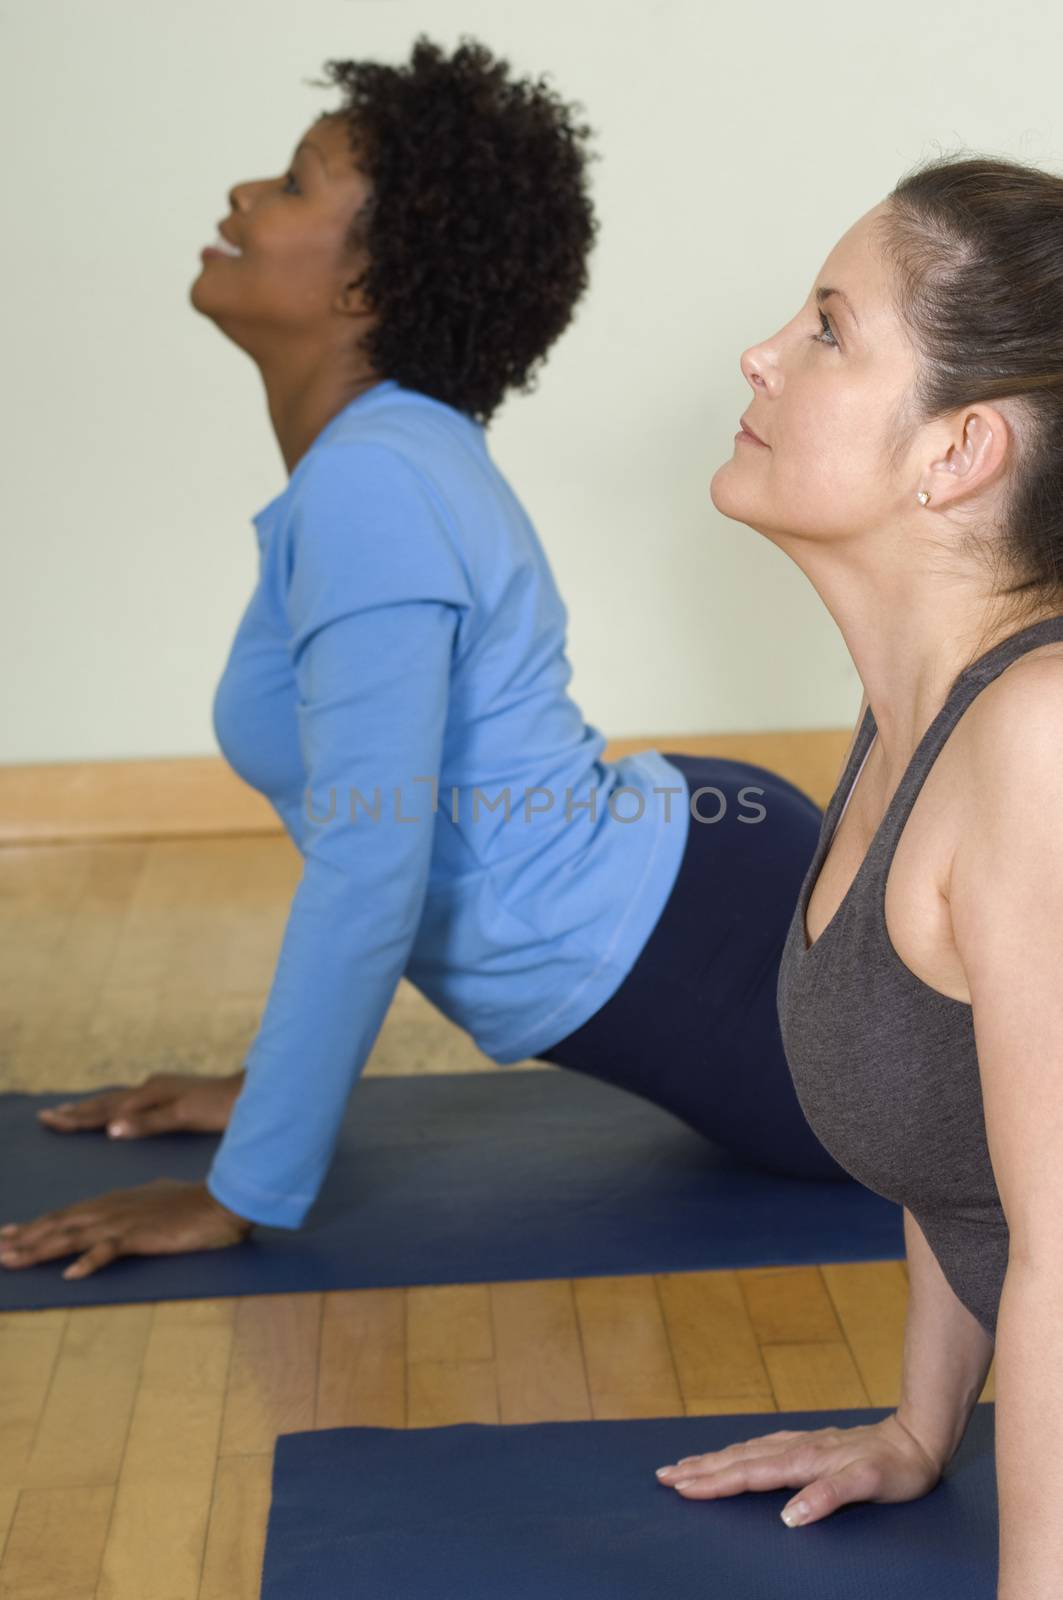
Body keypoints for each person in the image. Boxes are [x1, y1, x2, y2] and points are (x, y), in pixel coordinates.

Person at [0, 35, 847, 1284]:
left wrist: (247, 1188)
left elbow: (374, 861)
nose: (242, 198)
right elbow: (408, 825)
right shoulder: (383, 463)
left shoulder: (376, 485)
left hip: (720, 955)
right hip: (693, 899)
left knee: (994, 1138)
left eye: (290, 185)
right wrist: (267, 1081)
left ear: (366, 288)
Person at [652, 154, 1063, 1595]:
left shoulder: (1035, 738)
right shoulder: (917, 711)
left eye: (827, 328)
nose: (761, 353)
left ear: (953, 454)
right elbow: (961, 1162)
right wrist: (914, 1425)